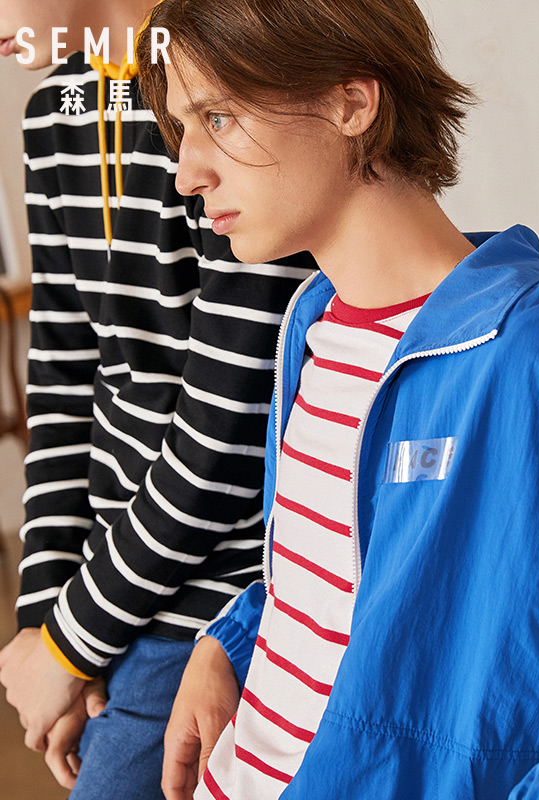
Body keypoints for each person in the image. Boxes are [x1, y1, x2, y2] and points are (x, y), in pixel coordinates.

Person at [137, 0, 539, 798]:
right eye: (184, 128)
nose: (187, 172)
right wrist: (232, 641)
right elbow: (347, 589)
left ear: (352, 102)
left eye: (219, 118)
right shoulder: (311, 326)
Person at [0, 1, 311, 797]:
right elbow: (62, 384)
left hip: (227, 595)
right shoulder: (54, 116)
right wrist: (45, 621)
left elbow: (225, 436)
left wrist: (69, 643)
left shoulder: (225, 93)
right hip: (112, 593)